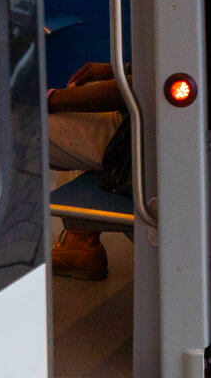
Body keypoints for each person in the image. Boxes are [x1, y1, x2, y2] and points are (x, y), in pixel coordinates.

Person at [46, 62, 131, 280]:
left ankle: (80, 242)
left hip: (135, 137)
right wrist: (119, 69)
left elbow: (142, 87)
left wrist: (50, 99)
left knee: (20, 126)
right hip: (139, 124)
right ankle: (79, 242)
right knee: (91, 84)